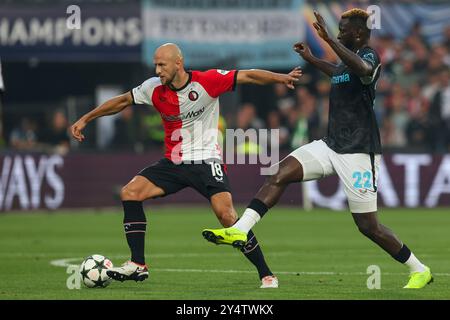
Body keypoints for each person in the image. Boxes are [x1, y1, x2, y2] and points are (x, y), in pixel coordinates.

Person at [202, 9, 433, 289]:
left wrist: (329, 42)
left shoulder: (370, 55)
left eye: (342, 30)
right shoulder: (345, 64)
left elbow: (363, 70)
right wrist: (311, 58)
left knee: (368, 227)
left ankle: (419, 269)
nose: (337, 34)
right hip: (330, 144)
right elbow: (338, 72)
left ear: (358, 33)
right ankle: (240, 230)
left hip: (359, 151)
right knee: (279, 173)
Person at [70, 43, 302, 288]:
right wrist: (86, 118)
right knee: (130, 193)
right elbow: (122, 101)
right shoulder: (153, 88)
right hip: (174, 162)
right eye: (155, 65)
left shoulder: (207, 81)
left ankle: (266, 274)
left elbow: (248, 75)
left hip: (206, 160)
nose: (157, 70)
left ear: (178, 63)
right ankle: (138, 265)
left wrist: (280, 77)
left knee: (227, 216)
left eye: (162, 65)